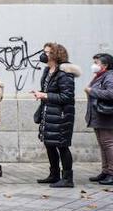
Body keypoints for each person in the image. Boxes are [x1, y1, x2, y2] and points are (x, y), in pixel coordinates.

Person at [32, 42, 80, 188]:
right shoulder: (48, 70)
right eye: (44, 51)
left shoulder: (64, 72)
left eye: (47, 52)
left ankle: (67, 178)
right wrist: (41, 95)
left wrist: (45, 95)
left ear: (56, 54)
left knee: (62, 145)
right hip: (49, 113)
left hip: (61, 115)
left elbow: (67, 97)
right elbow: (48, 91)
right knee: (49, 144)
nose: (44, 55)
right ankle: (54, 175)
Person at [85, 52, 113, 185]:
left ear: (105, 65)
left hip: (106, 116)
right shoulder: (100, 76)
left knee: (108, 144)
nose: (94, 65)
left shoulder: (110, 77)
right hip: (99, 116)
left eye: (97, 63)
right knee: (103, 145)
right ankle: (106, 171)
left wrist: (91, 91)